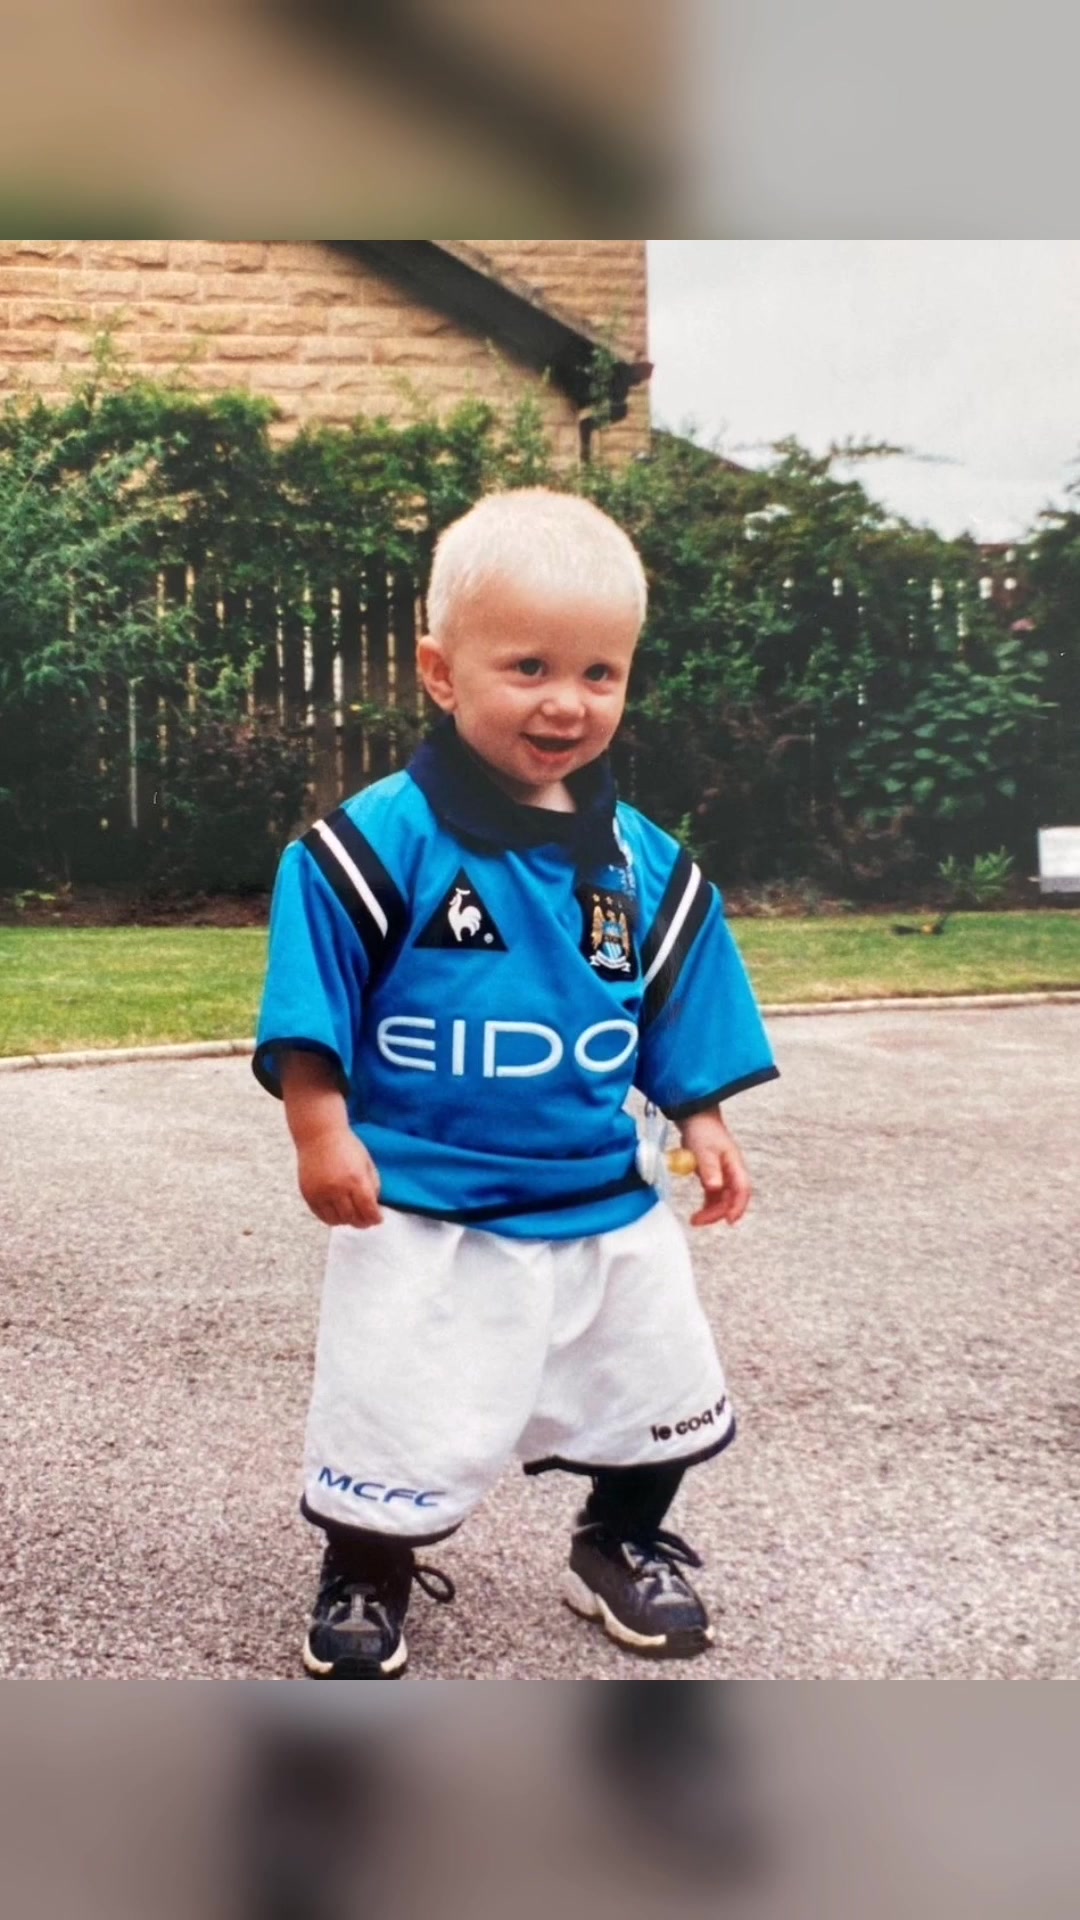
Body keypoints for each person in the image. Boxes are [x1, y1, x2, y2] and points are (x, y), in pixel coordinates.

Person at [253, 488, 779, 1679]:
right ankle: (368, 1569)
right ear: (441, 674)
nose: (566, 701)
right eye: (529, 666)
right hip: (423, 1204)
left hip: (599, 1196)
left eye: (600, 673)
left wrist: (701, 1114)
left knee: (656, 1384)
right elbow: (312, 997)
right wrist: (320, 1129)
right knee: (393, 1405)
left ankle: (622, 1538)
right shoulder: (372, 845)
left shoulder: (642, 860)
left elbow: (675, 994)